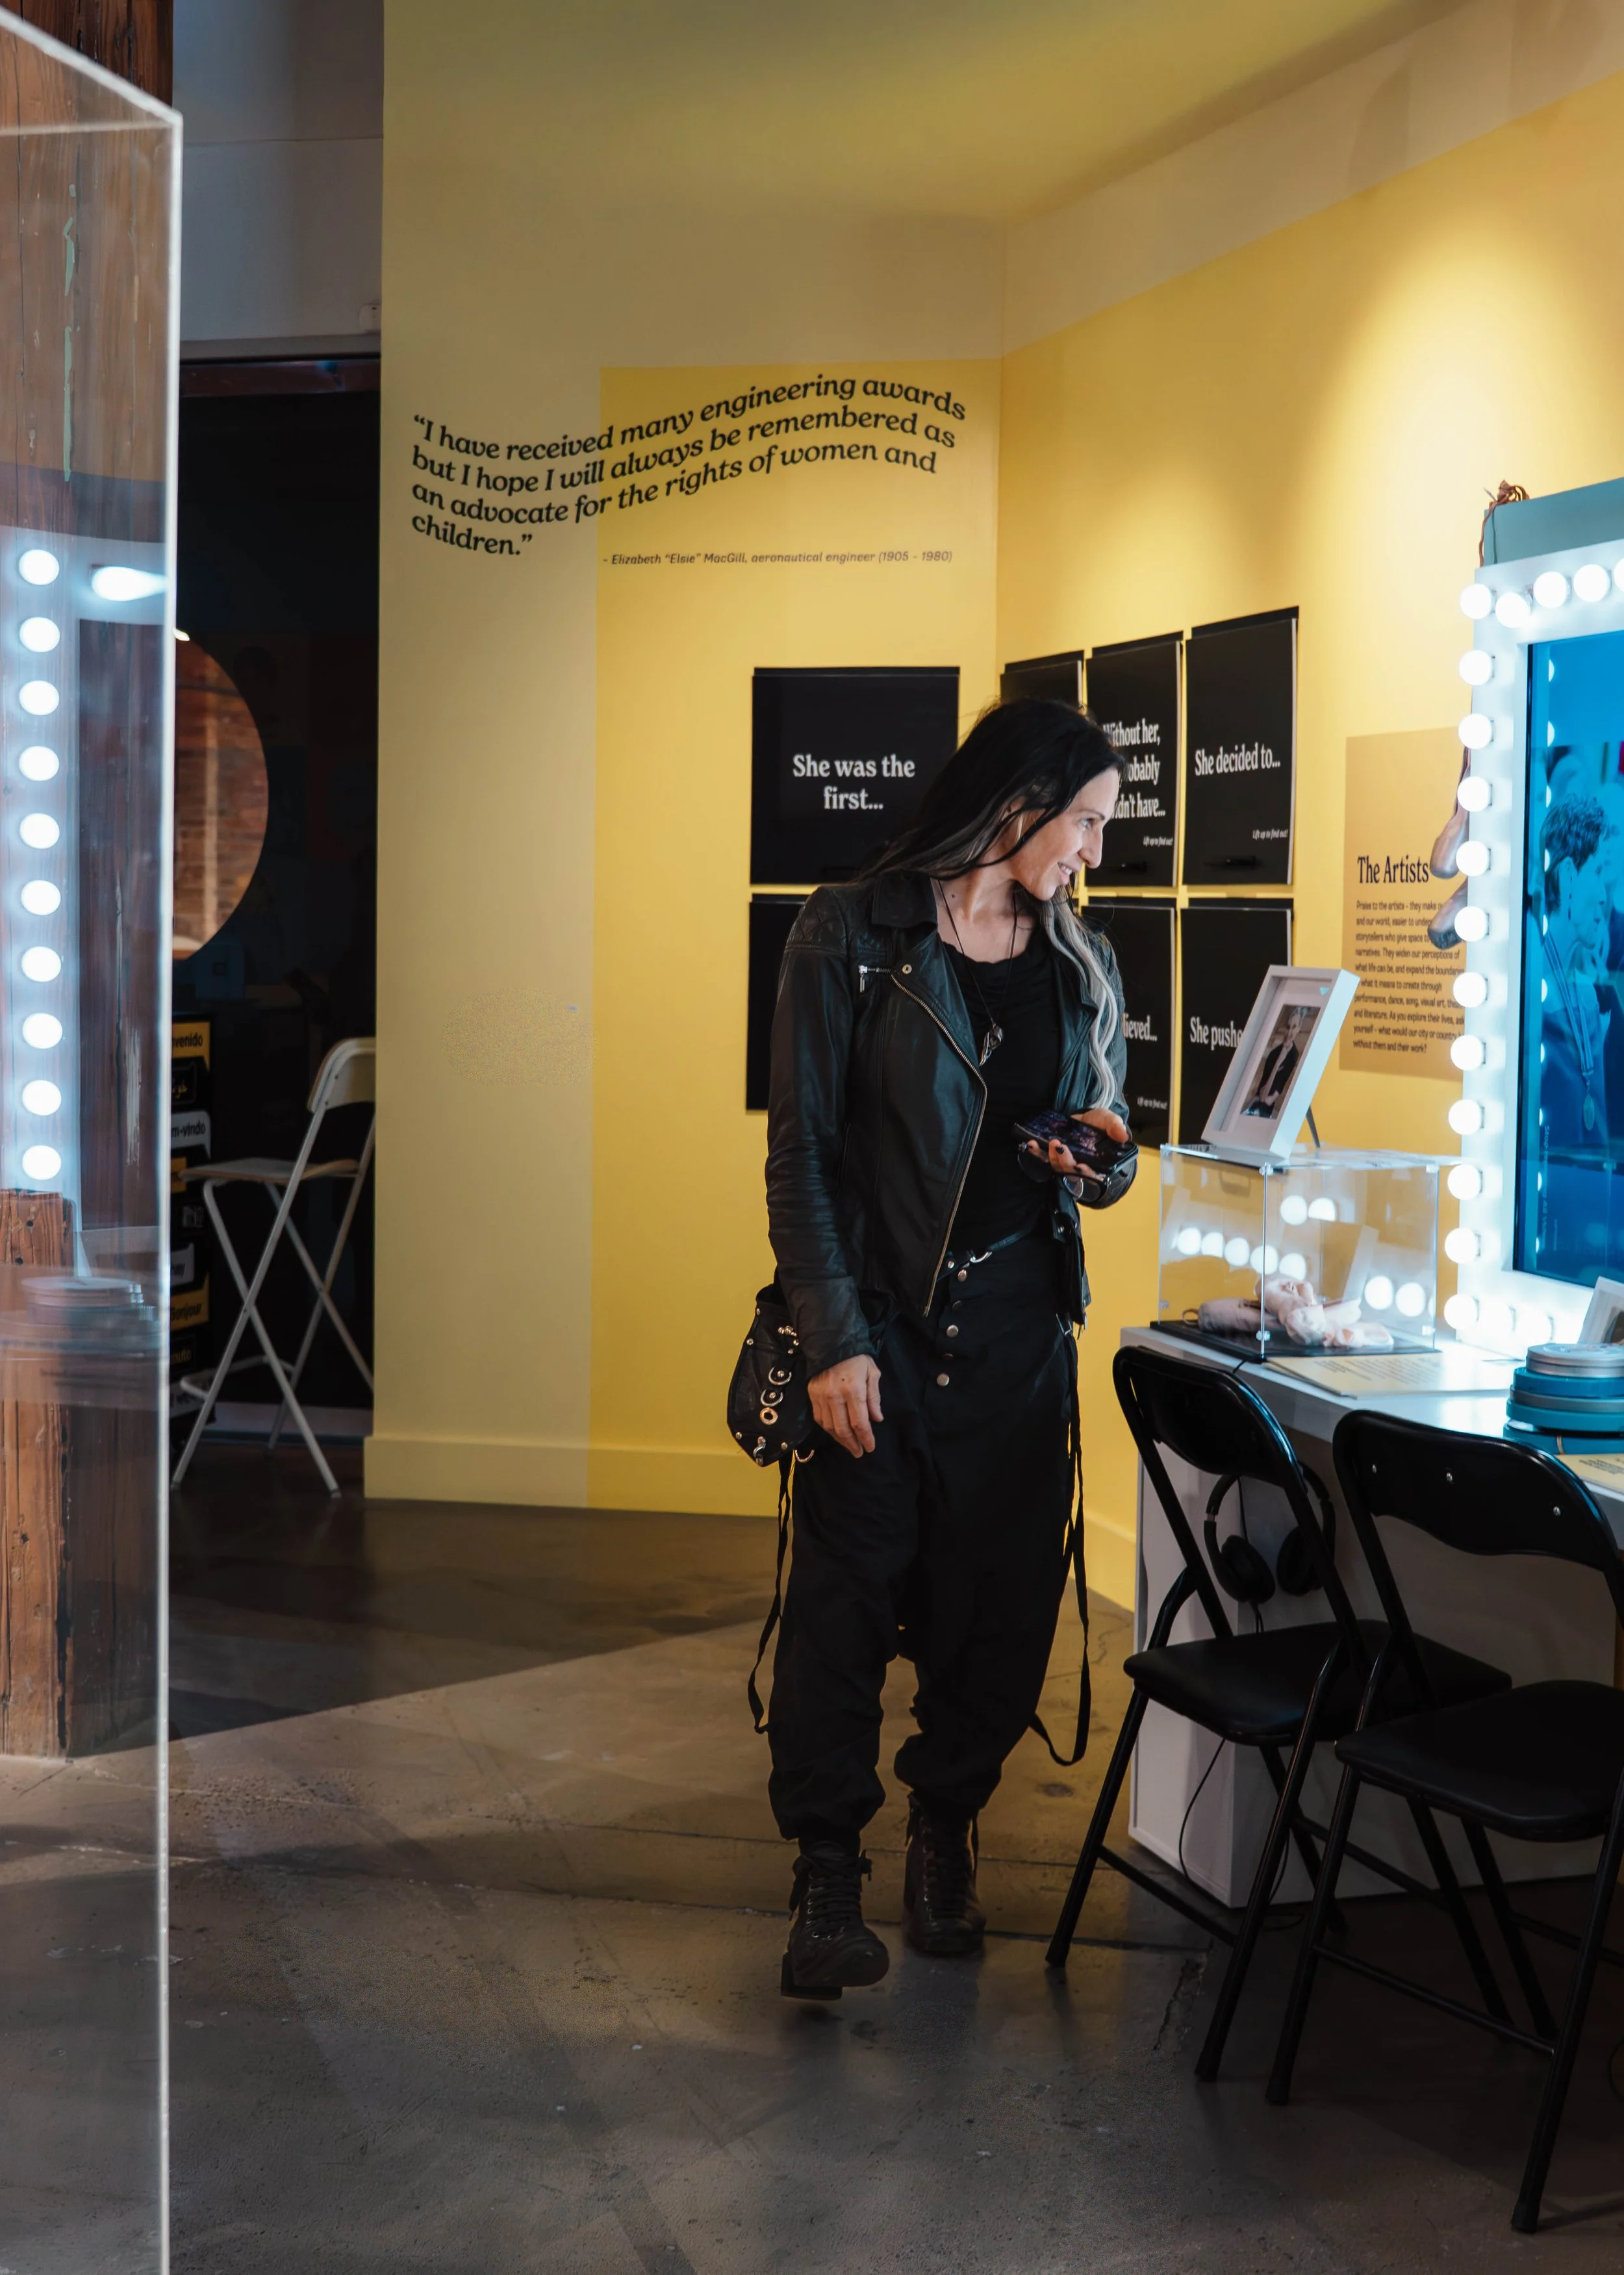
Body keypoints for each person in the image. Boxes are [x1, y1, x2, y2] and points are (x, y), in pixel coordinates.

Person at [762, 698, 1134, 1998]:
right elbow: (801, 1151)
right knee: (842, 1606)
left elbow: (1103, 1145)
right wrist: (831, 1338)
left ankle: (942, 1832)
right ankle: (822, 1878)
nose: (1092, 851)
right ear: (1021, 801)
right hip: (879, 1329)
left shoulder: (1076, 958)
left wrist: (1098, 1156)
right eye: (1083, 821)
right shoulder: (847, 931)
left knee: (998, 1606)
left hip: (1019, 1333)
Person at [1539, 794, 1611, 1150]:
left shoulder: (1586, 997)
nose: (1602, 896)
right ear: (1568, 877)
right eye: (1597, 872)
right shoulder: (1532, 995)